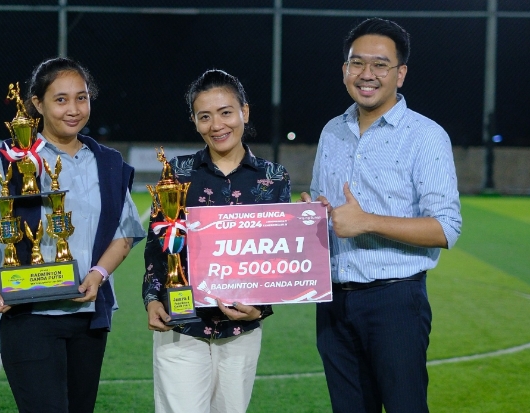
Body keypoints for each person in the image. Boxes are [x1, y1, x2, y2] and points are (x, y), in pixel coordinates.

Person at [0, 57, 145, 413]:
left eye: (82, 98)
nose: (73, 109)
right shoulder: (11, 160)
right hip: (27, 316)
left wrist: (99, 274)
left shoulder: (108, 162)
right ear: (38, 104)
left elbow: (124, 233)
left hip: (88, 315)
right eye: (61, 99)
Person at [301, 18, 462, 413]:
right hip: (333, 302)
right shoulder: (332, 131)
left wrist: (367, 221)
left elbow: (446, 227)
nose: (366, 74)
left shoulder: (425, 135)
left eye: (380, 65)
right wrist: (312, 216)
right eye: (357, 63)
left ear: (400, 74)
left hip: (395, 302)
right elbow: (331, 208)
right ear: (345, 70)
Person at [142, 69, 291, 413]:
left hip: (241, 328)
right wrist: (152, 298)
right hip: (181, 322)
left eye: (226, 112)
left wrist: (262, 307)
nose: (217, 125)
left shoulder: (274, 178)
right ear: (195, 122)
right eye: (204, 116)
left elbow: (279, 256)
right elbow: (156, 245)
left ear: (245, 113)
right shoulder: (176, 173)